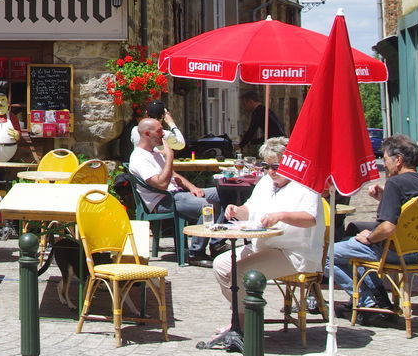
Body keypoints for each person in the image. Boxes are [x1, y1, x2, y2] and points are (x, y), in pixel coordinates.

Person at [198, 137, 323, 351]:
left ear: (290, 163)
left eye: (276, 166)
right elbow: (250, 208)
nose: (271, 171)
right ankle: (239, 321)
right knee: (221, 265)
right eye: (266, 166)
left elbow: (310, 218)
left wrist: (282, 215)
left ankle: (246, 327)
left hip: (293, 251)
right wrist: (236, 210)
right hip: (262, 246)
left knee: (242, 272)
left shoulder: (305, 184)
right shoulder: (266, 182)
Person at [326, 134, 418, 325]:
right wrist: (384, 200)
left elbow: (387, 227)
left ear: (398, 160)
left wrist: (369, 238)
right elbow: (408, 214)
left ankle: (367, 302)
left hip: (391, 251)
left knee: (329, 255)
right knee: (349, 246)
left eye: (385, 159)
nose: (384, 164)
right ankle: (379, 300)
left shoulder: (395, 183)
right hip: (417, 252)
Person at [129, 118, 224, 262]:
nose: (163, 135)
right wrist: (169, 157)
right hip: (163, 200)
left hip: (178, 194)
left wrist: (193, 187)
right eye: (160, 131)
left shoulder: (154, 152)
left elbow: (172, 174)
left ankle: (216, 245)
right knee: (208, 206)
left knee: (223, 192)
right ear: (147, 134)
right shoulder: (139, 158)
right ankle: (196, 253)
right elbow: (161, 184)